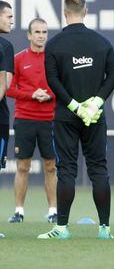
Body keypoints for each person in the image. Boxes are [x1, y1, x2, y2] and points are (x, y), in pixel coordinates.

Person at [38, 0, 114, 239]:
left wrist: (75, 106)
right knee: (99, 169)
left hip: (66, 116)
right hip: (94, 117)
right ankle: (105, 229)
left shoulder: (53, 44)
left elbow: (53, 80)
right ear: (85, 12)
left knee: (67, 171)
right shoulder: (102, 42)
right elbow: (113, 76)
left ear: (64, 13)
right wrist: (95, 103)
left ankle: (61, 228)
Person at [6, 18, 57, 223]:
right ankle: (19, 211)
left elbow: (62, 86)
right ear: (29, 35)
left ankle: (53, 211)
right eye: (37, 32)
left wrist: (50, 95)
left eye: (44, 32)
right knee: (23, 167)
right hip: (25, 119)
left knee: (51, 166)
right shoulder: (18, 59)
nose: (41, 36)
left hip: (50, 120)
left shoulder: (53, 58)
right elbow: (8, 88)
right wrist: (31, 94)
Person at [0, 0, 14, 239]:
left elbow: (4, 84)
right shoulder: (5, 46)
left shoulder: (6, 46)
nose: (11, 20)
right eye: (8, 16)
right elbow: (4, 82)